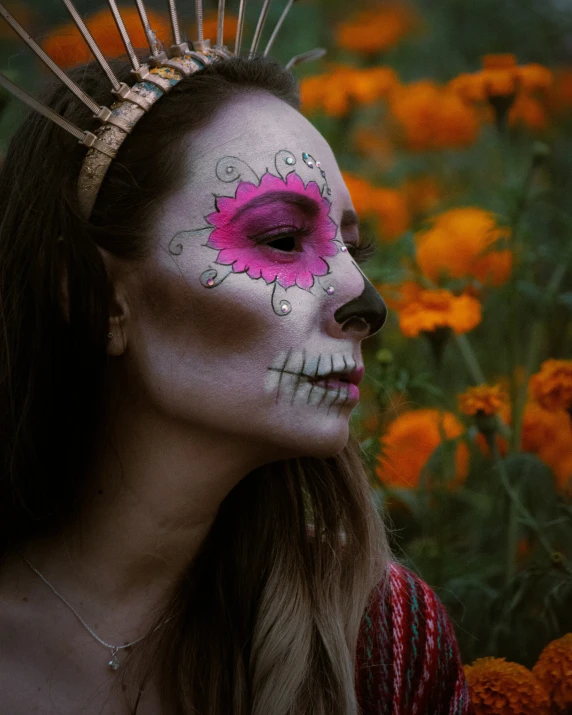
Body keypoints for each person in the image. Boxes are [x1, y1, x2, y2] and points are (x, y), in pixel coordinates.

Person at [0, 35, 473, 715]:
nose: (366, 301)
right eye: (282, 239)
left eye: (352, 245)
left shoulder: (381, 643)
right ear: (97, 298)